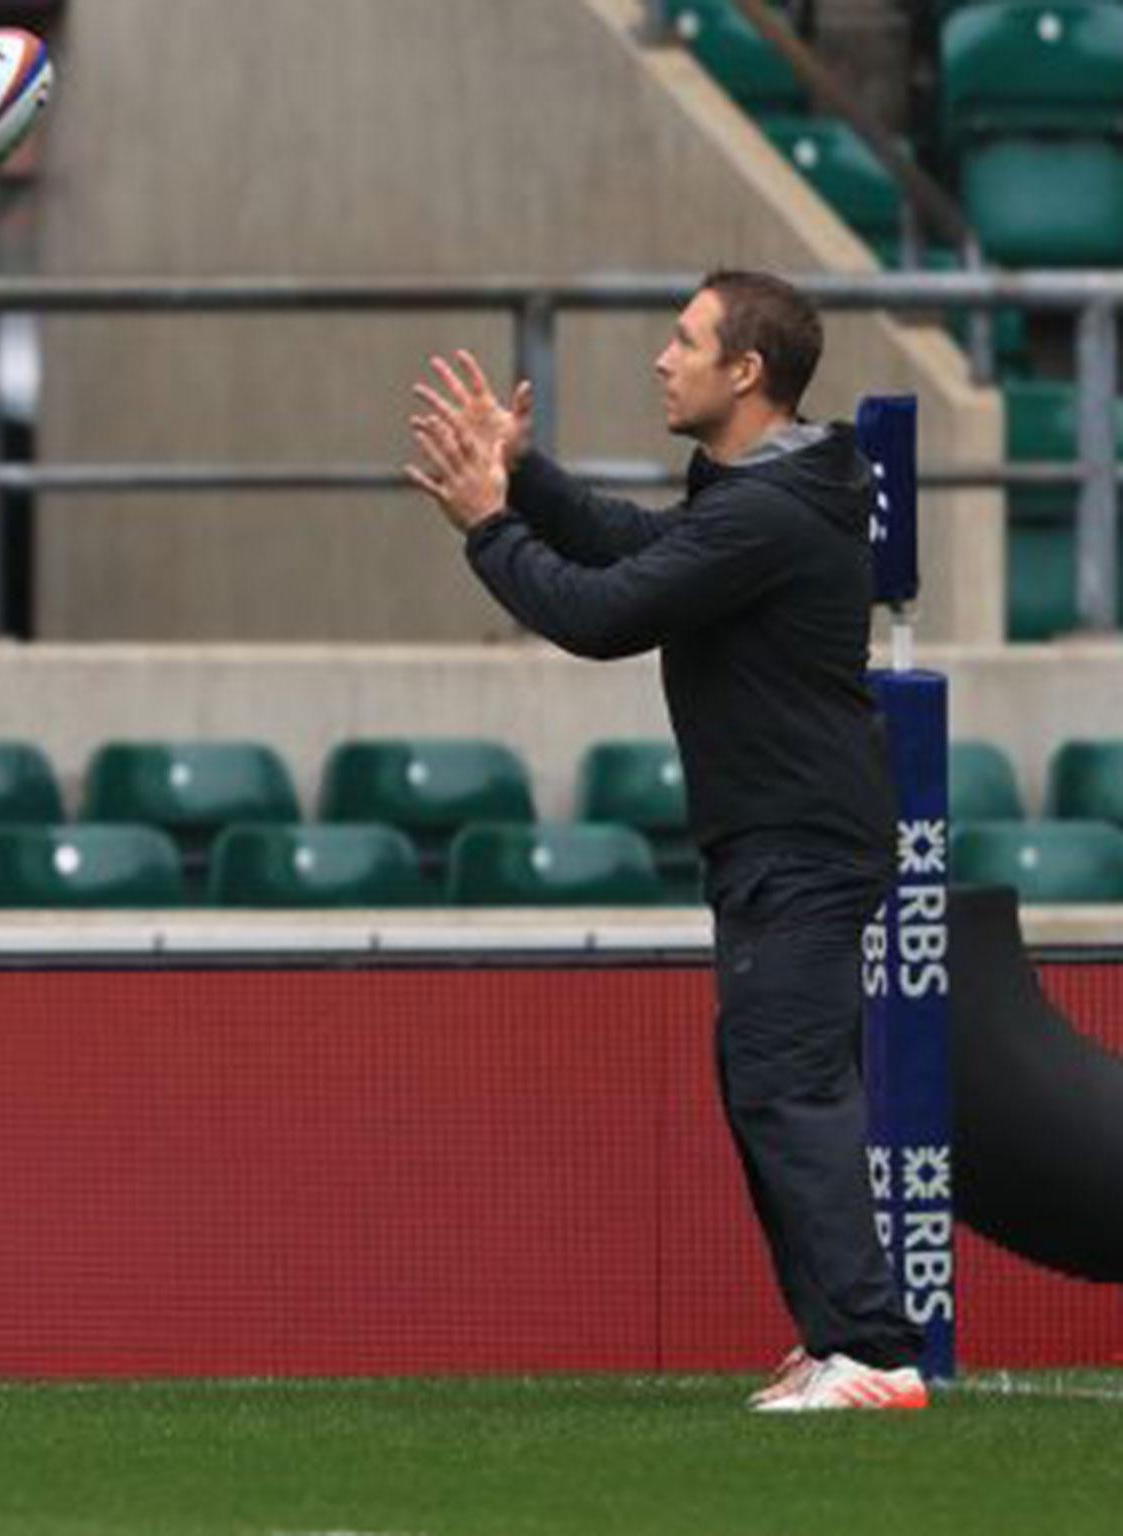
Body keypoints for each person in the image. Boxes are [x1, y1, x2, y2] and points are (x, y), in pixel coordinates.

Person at [404, 270, 926, 1412]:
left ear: (745, 373)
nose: (660, 357)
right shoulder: (762, 494)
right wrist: (527, 476)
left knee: (788, 1088)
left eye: (684, 340)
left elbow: (603, 615)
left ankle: (873, 1356)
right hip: (782, 839)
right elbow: (638, 545)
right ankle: (838, 1338)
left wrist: (487, 524)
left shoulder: (767, 510)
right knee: (765, 1084)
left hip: (798, 841)